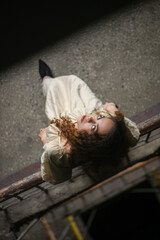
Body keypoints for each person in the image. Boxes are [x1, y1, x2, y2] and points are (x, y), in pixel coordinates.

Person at [38, 59, 140, 184]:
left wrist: (46, 141)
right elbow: (133, 136)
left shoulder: (63, 146)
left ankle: (47, 80)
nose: (90, 118)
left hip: (62, 114)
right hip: (87, 106)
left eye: (93, 128)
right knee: (73, 82)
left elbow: (59, 174)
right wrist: (114, 112)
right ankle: (51, 81)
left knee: (54, 91)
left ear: (88, 142)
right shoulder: (99, 121)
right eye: (100, 118)